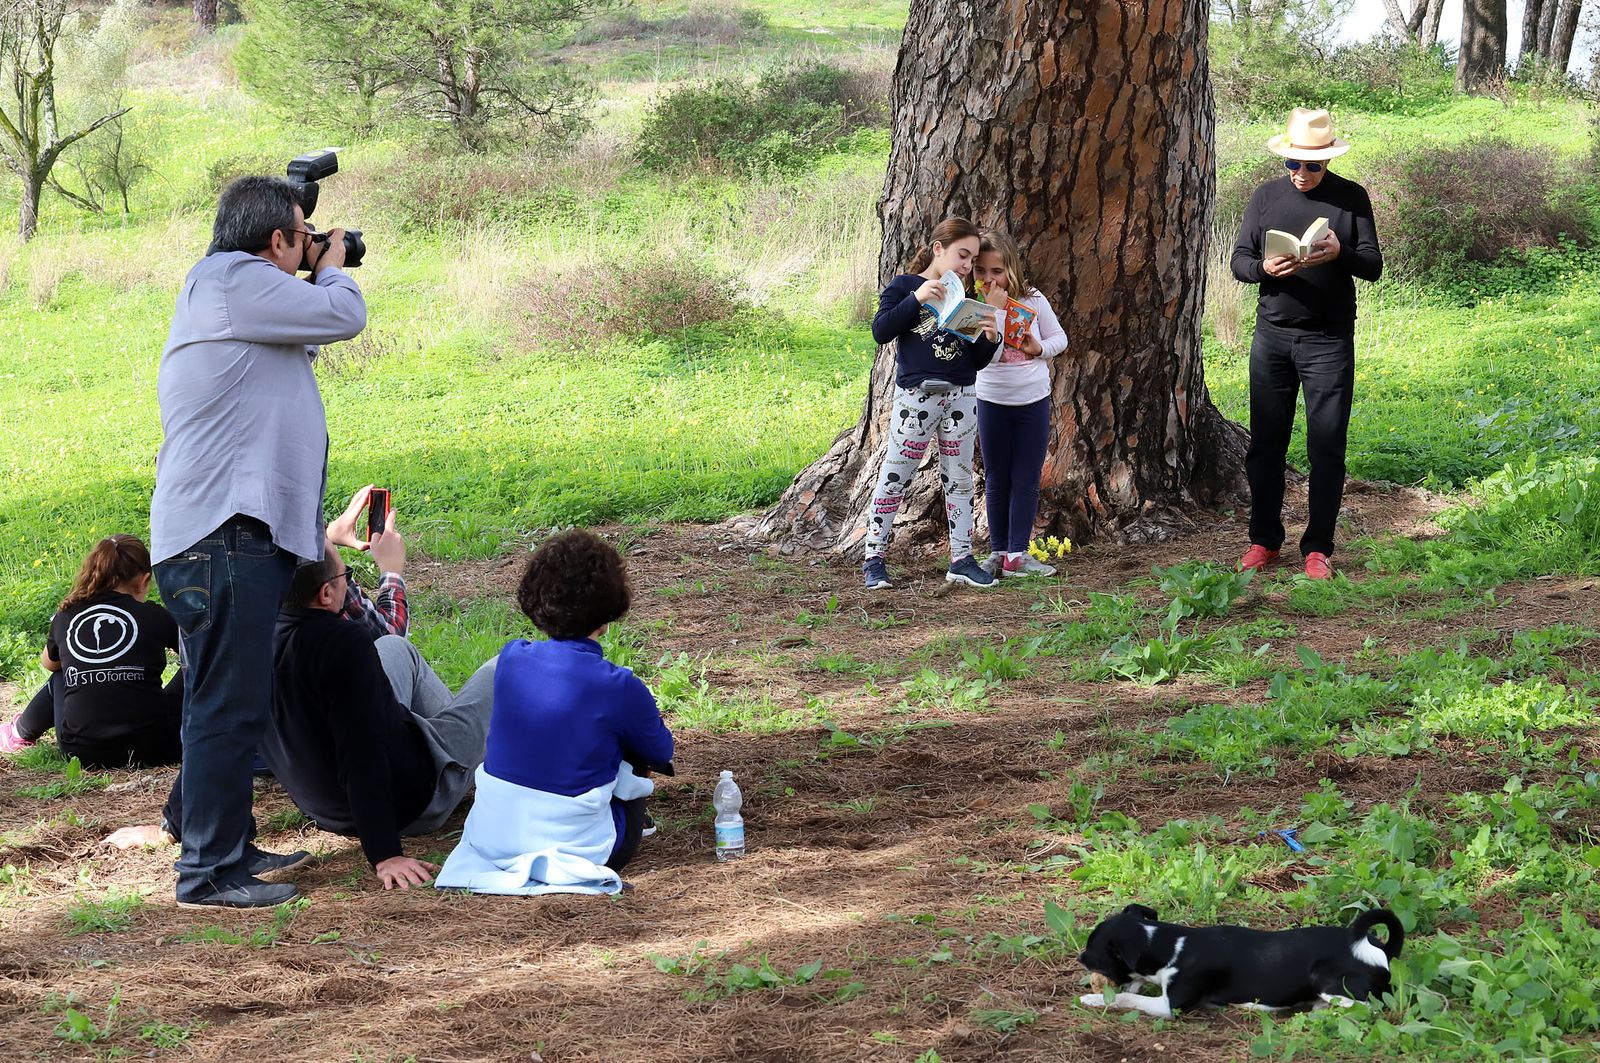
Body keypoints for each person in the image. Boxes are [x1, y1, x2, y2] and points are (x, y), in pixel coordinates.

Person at [150, 174, 365, 908]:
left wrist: (307, 247)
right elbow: (343, 314)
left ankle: (223, 841)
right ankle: (209, 870)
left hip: (219, 534)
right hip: (226, 535)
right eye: (301, 237)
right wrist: (330, 265)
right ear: (276, 240)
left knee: (223, 695)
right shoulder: (237, 279)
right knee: (226, 703)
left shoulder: (224, 288)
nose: (310, 247)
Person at [435, 530, 673, 896]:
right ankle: (625, 819)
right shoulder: (620, 685)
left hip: (491, 839)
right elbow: (661, 753)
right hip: (587, 849)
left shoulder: (511, 658)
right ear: (608, 612)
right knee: (629, 740)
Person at [1230, 107, 1383, 580]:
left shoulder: (1351, 197)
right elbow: (1239, 259)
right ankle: (1264, 541)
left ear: (1328, 161)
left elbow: (1372, 265)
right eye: (1292, 163)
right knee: (1266, 446)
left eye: (1312, 166)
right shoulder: (1266, 196)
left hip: (1328, 340)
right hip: (1273, 337)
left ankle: (1318, 548)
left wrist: (1340, 253)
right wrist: (1262, 269)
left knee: (1327, 447)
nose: (1301, 173)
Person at [862, 216, 1002, 591]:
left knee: (959, 479)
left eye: (972, 259)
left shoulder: (964, 299)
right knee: (896, 476)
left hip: (961, 396)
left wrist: (990, 338)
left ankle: (962, 559)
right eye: (962, 255)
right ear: (939, 249)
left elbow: (974, 361)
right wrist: (917, 298)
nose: (967, 265)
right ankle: (874, 558)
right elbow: (881, 331)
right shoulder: (905, 286)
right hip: (917, 397)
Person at [1, 536, 181, 766]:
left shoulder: (67, 615)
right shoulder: (155, 615)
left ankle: (19, 732)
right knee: (198, 666)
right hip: (156, 748)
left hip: (82, 752)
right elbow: (197, 653)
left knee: (61, 676)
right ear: (144, 580)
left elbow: (50, 664)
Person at [972, 230, 1070, 578]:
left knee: (1026, 476)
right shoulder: (973, 308)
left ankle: (1018, 554)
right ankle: (998, 551)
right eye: (981, 271)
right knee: (996, 476)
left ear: (1011, 269)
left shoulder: (1034, 300)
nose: (989, 279)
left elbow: (1060, 338)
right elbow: (983, 356)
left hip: (1032, 401)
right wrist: (995, 314)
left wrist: (1038, 348)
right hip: (992, 400)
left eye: (997, 271)